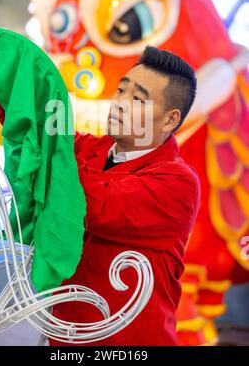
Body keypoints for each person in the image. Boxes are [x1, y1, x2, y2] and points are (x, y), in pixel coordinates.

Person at [49, 46, 201, 346]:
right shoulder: (91, 150)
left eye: (136, 99)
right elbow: (34, 127)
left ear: (170, 120)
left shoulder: (178, 183)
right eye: (120, 90)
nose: (118, 103)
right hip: (67, 336)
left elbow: (91, 202)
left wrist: (50, 149)